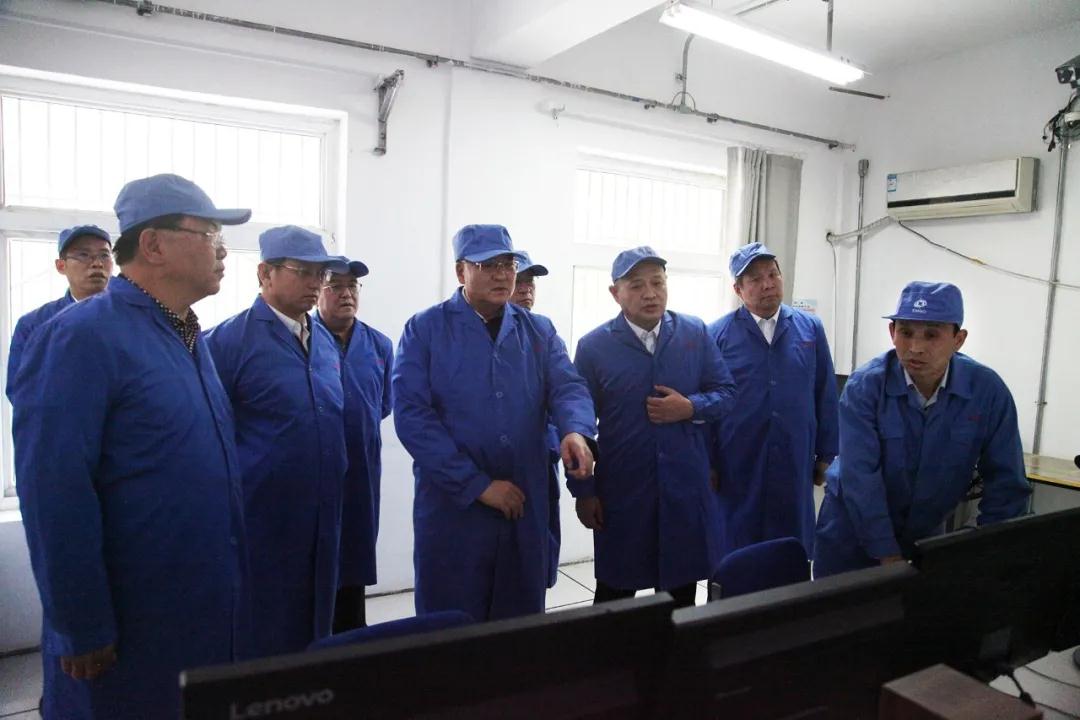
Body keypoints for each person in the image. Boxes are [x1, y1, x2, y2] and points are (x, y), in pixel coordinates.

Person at [11, 173, 249, 718]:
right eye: (210, 234)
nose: (223, 250)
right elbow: (53, 489)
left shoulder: (187, 334)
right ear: (154, 245)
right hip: (128, 617)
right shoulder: (80, 337)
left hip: (198, 604)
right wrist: (80, 622)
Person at [393, 224, 596, 621]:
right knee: (452, 623)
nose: (502, 275)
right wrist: (477, 486)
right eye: (488, 265)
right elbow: (413, 417)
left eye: (508, 264)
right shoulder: (426, 329)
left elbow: (568, 387)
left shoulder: (538, 330)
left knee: (519, 624)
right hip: (455, 504)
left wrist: (575, 430)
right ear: (461, 271)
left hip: (525, 494)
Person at [813, 281, 1032, 578]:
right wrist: (888, 555)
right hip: (851, 530)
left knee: (921, 607)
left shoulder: (987, 392)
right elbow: (861, 479)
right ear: (892, 332)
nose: (916, 347)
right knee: (841, 606)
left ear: (958, 339)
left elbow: (1008, 483)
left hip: (924, 535)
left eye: (931, 335)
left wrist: (978, 548)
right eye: (905, 333)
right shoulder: (866, 387)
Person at [204, 226, 348, 656]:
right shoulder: (228, 342)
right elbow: (208, 437)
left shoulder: (323, 341)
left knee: (317, 627)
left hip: (323, 514)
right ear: (265, 273)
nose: (315, 283)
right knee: (263, 631)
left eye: (321, 273)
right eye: (303, 271)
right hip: (261, 520)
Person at [572, 246, 735, 608]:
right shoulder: (594, 348)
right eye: (636, 285)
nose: (650, 293)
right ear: (615, 293)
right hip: (623, 492)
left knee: (680, 597)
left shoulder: (694, 333)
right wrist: (583, 491)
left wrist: (690, 407)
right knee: (614, 598)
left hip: (683, 488)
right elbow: (577, 425)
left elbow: (727, 394)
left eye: (657, 283)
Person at [709, 242, 839, 558]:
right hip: (738, 459)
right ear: (738, 289)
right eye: (755, 278)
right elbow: (708, 405)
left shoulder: (810, 329)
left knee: (790, 546)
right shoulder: (717, 334)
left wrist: (827, 454)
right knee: (737, 546)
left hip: (794, 456)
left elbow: (825, 392)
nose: (768, 284)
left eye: (773, 274)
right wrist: (708, 462)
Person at [314, 258, 393, 632]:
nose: (346, 294)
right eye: (336, 286)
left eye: (352, 286)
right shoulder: (303, 338)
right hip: (314, 471)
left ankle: (351, 640)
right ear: (317, 290)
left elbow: (384, 404)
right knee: (313, 561)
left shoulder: (379, 344)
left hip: (361, 468)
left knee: (354, 558)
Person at [6, 224, 112, 399]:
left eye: (104, 255)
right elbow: (19, 391)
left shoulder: (133, 318)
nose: (97, 264)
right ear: (61, 266)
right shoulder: (35, 324)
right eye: (83, 255)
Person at [508, 251, 561, 589]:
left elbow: (564, 392)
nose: (526, 289)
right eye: (521, 281)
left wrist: (559, 440)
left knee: (536, 556)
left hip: (540, 462)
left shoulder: (543, 332)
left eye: (531, 283)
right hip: (494, 468)